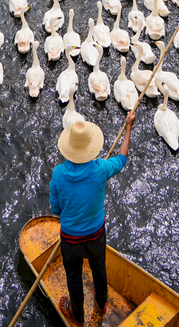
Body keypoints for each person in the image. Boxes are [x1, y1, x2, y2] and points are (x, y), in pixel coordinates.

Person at [49, 112, 135, 325]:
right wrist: (128, 125)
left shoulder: (58, 174)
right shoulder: (101, 169)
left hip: (70, 240)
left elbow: (56, 209)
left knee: (74, 279)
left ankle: (77, 316)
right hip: (96, 236)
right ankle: (102, 303)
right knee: (99, 269)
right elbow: (122, 158)